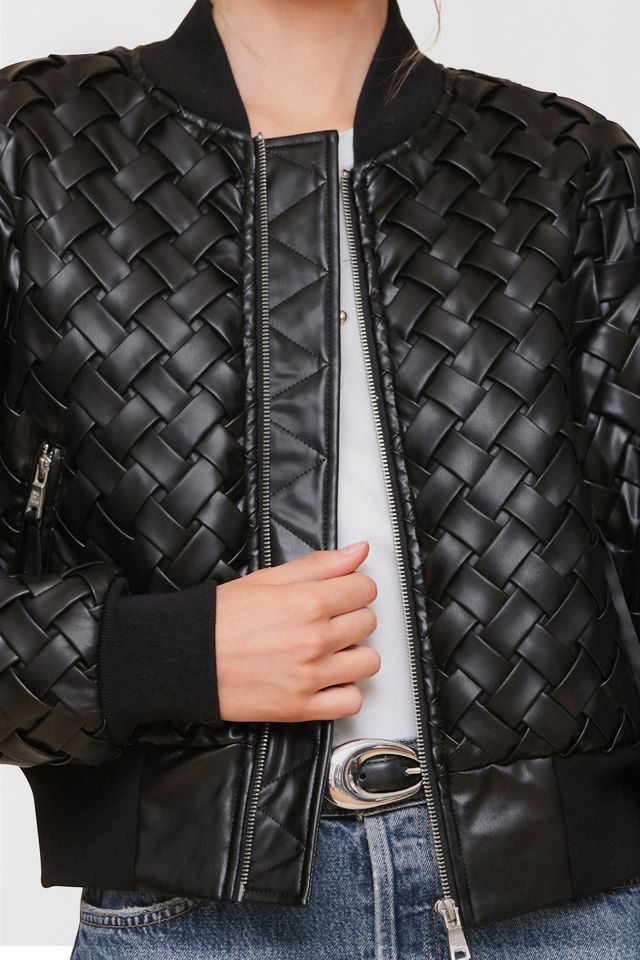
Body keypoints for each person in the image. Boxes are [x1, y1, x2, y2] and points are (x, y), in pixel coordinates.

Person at [0, 0, 639, 957]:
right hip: (196, 925)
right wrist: (163, 656)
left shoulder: (568, 167)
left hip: (575, 915)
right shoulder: (35, 145)